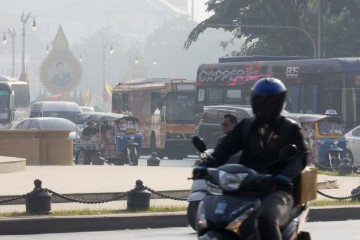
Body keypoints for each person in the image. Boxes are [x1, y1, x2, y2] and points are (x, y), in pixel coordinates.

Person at [207, 77, 309, 240]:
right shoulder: (246, 126)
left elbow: (300, 157)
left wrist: (285, 175)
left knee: (265, 219)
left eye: (269, 102)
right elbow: (223, 149)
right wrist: (207, 164)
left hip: (277, 190)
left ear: (280, 103)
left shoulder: (290, 129)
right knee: (215, 214)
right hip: (244, 187)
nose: (264, 106)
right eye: (260, 101)